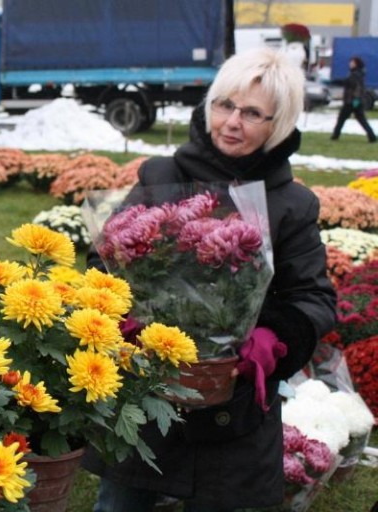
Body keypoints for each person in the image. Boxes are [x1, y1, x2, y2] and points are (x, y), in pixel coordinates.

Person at [83, 48, 337, 511]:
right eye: (224, 105)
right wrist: (125, 316)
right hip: (147, 386)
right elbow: (106, 261)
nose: (232, 122)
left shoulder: (291, 203)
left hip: (231, 404)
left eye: (253, 113)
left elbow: (313, 297)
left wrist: (270, 340)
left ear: (277, 124)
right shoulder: (161, 175)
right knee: (120, 502)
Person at [330, 56, 377, 142]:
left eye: (352, 62)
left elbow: (356, 87)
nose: (350, 64)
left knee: (341, 119)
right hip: (354, 101)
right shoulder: (357, 73)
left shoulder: (356, 74)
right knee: (361, 120)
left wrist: (356, 99)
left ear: (356, 64)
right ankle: (372, 137)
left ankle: (335, 136)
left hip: (351, 101)